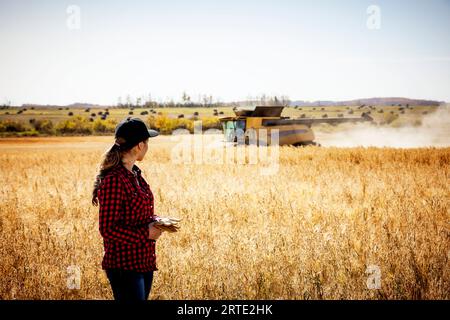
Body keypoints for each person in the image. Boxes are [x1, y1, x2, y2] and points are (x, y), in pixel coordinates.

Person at [91, 117, 161, 301]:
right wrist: (146, 234)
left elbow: (137, 213)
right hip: (124, 266)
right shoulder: (115, 179)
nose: (147, 146)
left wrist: (157, 221)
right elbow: (107, 229)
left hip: (143, 261)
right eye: (147, 142)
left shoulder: (135, 173)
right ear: (139, 145)